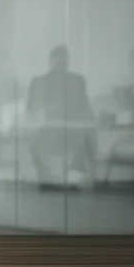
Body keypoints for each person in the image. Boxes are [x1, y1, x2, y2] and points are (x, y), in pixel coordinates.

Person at [26, 46, 97, 187]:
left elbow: (86, 108)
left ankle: (76, 173)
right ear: (50, 62)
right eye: (58, 61)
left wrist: (90, 121)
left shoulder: (77, 82)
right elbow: (31, 111)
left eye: (64, 61)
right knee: (35, 142)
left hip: (72, 129)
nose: (61, 65)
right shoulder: (40, 82)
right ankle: (49, 176)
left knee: (84, 136)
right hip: (48, 130)